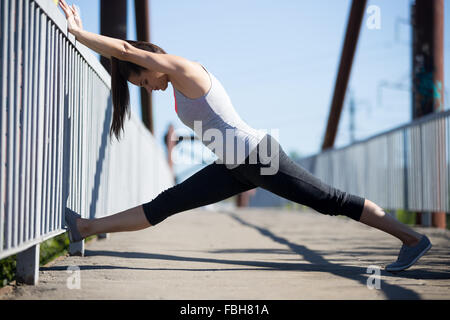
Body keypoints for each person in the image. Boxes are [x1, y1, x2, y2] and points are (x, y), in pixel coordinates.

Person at [60, 0, 431, 272]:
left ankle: (412, 239)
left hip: (257, 156)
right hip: (235, 166)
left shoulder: (183, 68)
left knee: (328, 199)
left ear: (149, 63)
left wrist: (79, 32)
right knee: (167, 203)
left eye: (143, 80)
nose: (148, 88)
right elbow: (124, 58)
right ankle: (85, 227)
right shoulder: (175, 86)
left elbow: (124, 49)